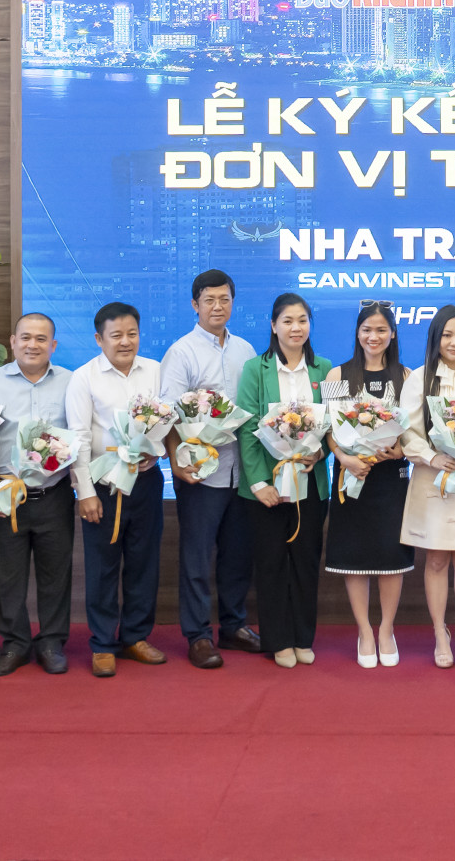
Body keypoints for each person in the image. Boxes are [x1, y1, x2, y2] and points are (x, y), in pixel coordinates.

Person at [158, 269, 262, 669]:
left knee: (237, 556)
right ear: (194, 305)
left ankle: (234, 626)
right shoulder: (181, 352)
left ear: (233, 302)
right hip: (199, 473)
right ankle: (198, 635)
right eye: (209, 300)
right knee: (197, 558)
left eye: (225, 299)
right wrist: (174, 463)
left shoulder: (246, 350)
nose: (218, 307)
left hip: (242, 472)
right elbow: (166, 415)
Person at [0, 313, 77, 677]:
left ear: (53, 345)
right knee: (8, 575)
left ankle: (50, 642)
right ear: (12, 341)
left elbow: (80, 435)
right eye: (26, 338)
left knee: (55, 573)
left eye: (42, 339)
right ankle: (14, 643)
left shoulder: (70, 382)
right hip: (7, 493)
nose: (33, 345)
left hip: (54, 493)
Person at [67, 302, 168, 678]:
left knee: (144, 563)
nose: (126, 342)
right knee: (102, 568)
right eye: (116, 335)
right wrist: (85, 491)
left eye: (132, 334)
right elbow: (78, 436)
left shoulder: (157, 371)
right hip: (104, 483)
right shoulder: (84, 378)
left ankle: (136, 637)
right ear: (99, 338)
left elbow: (168, 424)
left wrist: (155, 454)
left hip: (145, 481)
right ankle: (102, 644)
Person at [235, 294, 333, 668]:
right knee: (272, 563)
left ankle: (302, 637)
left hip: (310, 483)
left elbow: (334, 427)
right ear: (274, 325)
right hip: (268, 488)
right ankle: (278, 640)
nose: (296, 328)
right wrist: (260, 483)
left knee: (306, 562)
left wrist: (319, 452)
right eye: (288, 321)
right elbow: (245, 428)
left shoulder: (325, 369)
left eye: (303, 320)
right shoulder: (254, 370)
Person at [399, 305, 455, 669]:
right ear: (435, 339)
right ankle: (440, 632)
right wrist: (431, 457)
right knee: (436, 558)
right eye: (447, 335)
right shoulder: (418, 379)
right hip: (431, 478)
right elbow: (405, 430)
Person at [324, 301, 414, 668]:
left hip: (390, 479)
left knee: (390, 556)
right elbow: (329, 429)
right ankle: (364, 630)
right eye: (366, 330)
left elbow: (413, 430)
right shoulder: (337, 375)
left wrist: (400, 450)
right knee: (355, 557)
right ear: (357, 333)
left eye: (381, 330)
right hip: (350, 475)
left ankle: (387, 629)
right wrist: (344, 458)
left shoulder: (406, 376)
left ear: (392, 333)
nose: (373, 336)